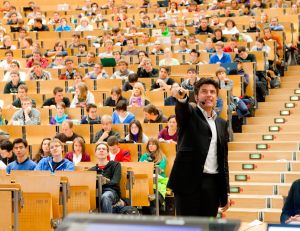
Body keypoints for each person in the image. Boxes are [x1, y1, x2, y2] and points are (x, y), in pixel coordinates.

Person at [167, 78, 230, 217]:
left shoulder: (221, 123)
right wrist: (182, 98)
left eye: (212, 92)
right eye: (204, 92)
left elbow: (223, 160)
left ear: (216, 97)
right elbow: (182, 109)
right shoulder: (190, 115)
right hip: (187, 183)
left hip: (212, 184)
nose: (209, 95)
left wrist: (226, 192)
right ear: (196, 96)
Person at [89, 142, 121, 213]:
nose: (101, 150)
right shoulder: (91, 170)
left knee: (105, 197)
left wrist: (101, 182)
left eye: (103, 149)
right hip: (95, 194)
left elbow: (115, 181)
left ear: (107, 153)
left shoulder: (115, 165)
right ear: (95, 153)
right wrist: (104, 181)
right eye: (99, 149)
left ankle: (108, 223)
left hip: (111, 192)